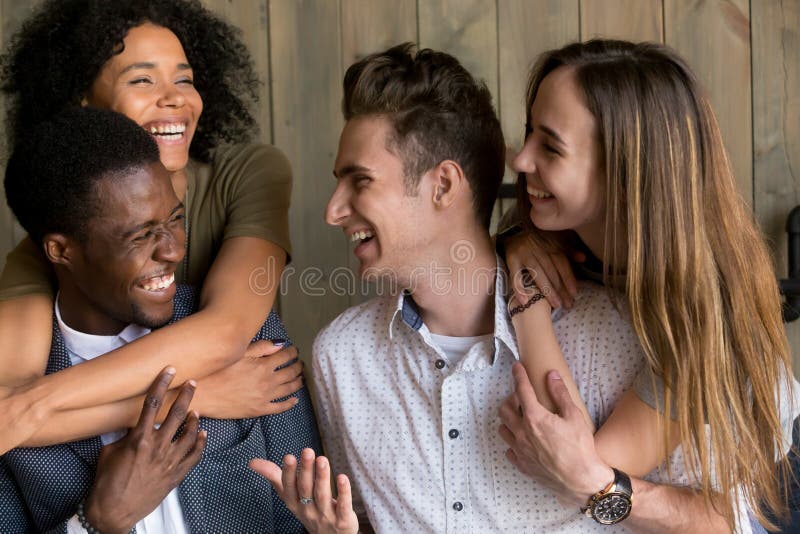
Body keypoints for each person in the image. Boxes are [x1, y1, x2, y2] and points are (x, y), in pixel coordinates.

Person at [250, 43, 756, 533]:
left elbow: (725, 522)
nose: (331, 211)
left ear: (444, 186)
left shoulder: (629, 332)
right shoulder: (342, 357)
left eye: (360, 181)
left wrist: (598, 486)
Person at [496, 39, 798, 533]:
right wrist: (512, 240)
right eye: (530, 132)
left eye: (550, 146)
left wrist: (526, 296)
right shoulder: (555, 235)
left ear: (626, 171)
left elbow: (580, 462)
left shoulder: (702, 304)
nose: (522, 159)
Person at [0, 106, 322, 532]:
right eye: (139, 235)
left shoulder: (253, 339)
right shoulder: (14, 379)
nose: (172, 250)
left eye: (174, 220)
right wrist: (96, 521)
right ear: (62, 251)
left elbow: (313, 510)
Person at [0, 0, 297, 454]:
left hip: (246, 441)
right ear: (84, 105)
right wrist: (183, 400)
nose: (175, 97)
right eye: (142, 80)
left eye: (184, 79)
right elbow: (8, 412)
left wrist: (43, 401)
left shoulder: (247, 173)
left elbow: (225, 331)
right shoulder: (53, 244)